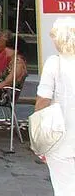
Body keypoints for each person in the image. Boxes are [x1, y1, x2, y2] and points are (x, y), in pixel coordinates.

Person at [35, 17, 75, 195]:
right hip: (63, 138)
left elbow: (43, 100)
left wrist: (39, 139)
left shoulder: (54, 63)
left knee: (64, 188)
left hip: (62, 137)